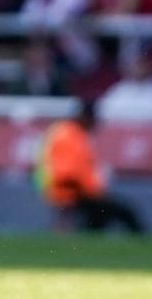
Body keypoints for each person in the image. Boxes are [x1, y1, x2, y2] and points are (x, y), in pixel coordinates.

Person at [37, 100, 145, 234]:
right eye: (94, 119)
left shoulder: (71, 133)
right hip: (72, 193)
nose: (95, 123)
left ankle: (86, 239)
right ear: (85, 117)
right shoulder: (68, 136)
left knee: (102, 216)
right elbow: (66, 173)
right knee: (123, 212)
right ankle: (145, 246)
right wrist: (91, 193)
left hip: (75, 192)